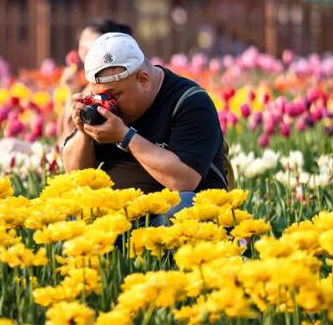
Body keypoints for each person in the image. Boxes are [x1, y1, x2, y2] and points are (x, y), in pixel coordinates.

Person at [62, 32, 227, 211]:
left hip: (175, 222)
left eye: (114, 95)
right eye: (100, 96)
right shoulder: (104, 107)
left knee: (183, 205)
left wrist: (126, 137)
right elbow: (75, 175)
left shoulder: (190, 101)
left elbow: (184, 181)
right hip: (115, 219)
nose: (107, 104)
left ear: (143, 80)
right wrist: (83, 132)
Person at [57, 18, 133, 145]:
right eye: (82, 47)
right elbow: (62, 135)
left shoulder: (107, 90)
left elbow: (72, 133)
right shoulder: (84, 86)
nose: (86, 53)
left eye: (92, 47)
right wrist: (71, 90)